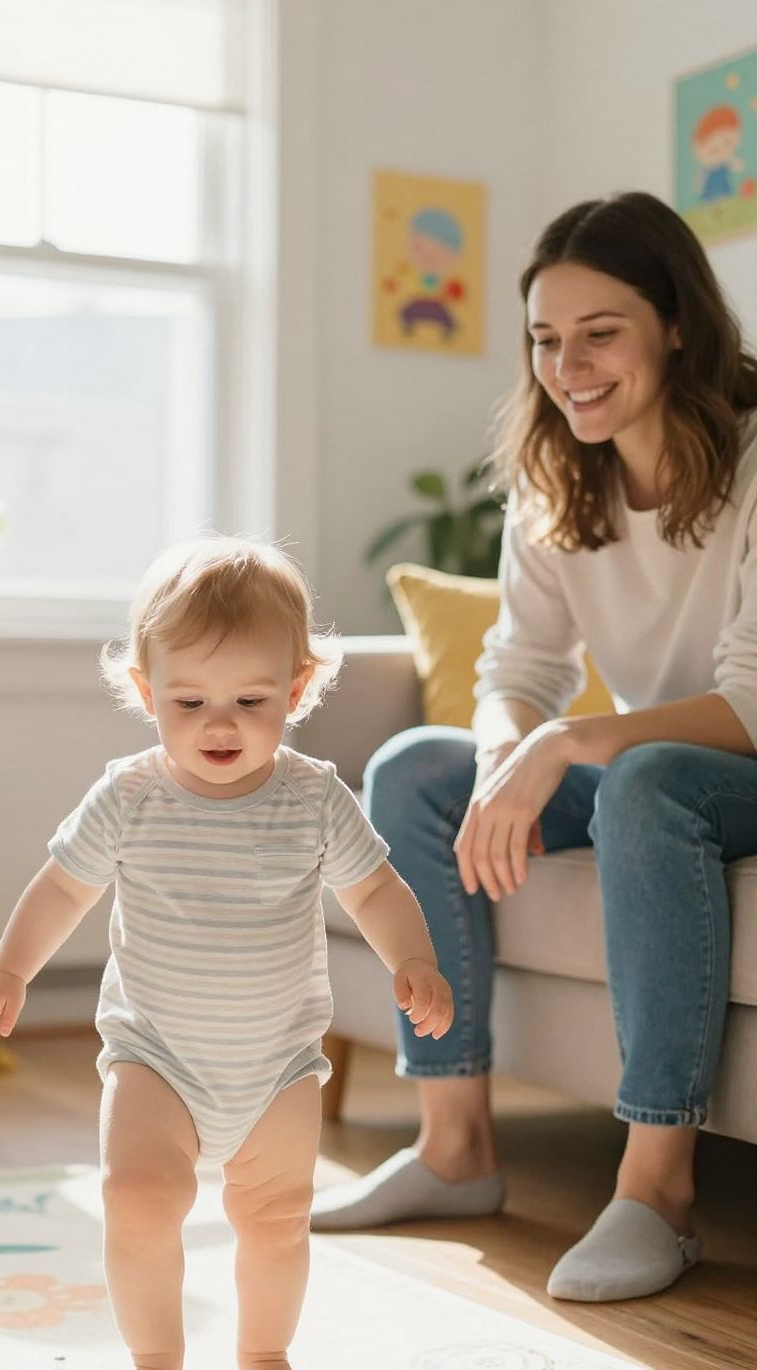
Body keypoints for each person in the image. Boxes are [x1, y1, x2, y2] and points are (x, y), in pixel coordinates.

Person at [312, 191, 757, 1304]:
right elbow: (519, 670)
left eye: (600, 332)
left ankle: (657, 1191)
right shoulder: (560, 473)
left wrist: (566, 740)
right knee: (420, 766)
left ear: (677, 326)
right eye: (546, 340)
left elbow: (752, 700)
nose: (569, 365)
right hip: (663, 767)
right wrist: (513, 751)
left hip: (722, 761)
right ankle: (456, 1146)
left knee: (643, 784)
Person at [0, 536, 453, 1370]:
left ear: (297, 690)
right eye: (189, 701)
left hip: (277, 1066)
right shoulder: (130, 795)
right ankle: (155, 1360)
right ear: (147, 693)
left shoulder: (313, 797)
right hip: (156, 1056)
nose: (219, 725)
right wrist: (9, 970)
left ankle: (264, 1353)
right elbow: (65, 887)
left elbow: (375, 888)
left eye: (251, 701)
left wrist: (412, 961)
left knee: (276, 1218)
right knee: (137, 1199)